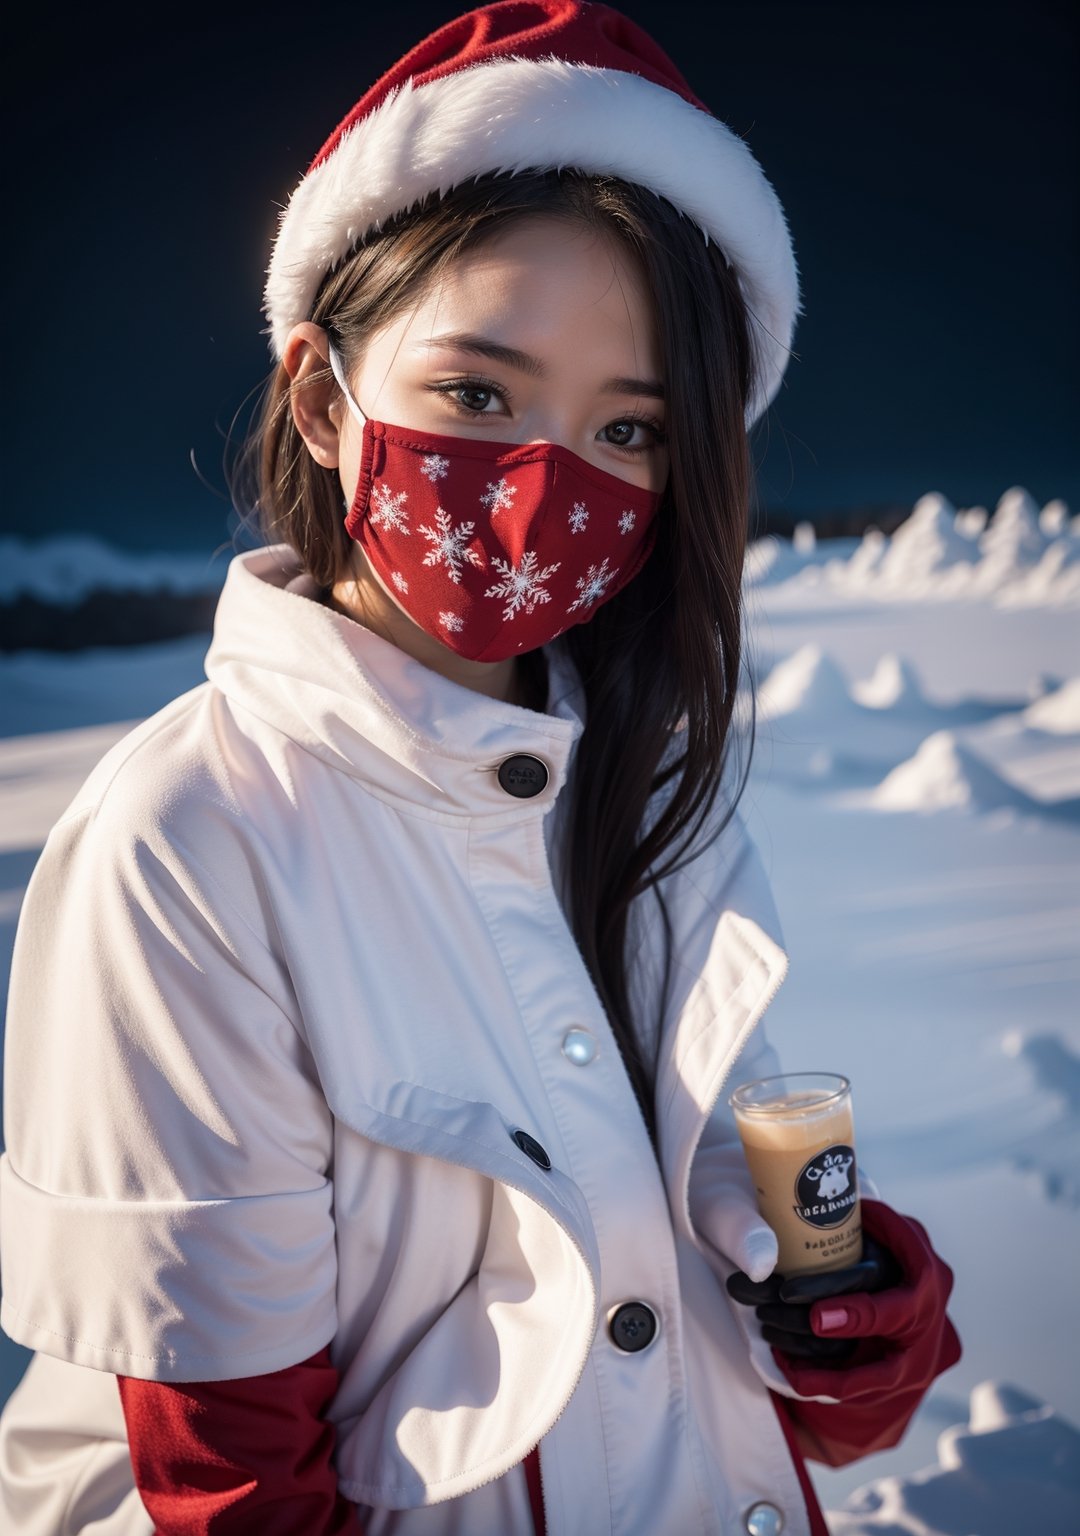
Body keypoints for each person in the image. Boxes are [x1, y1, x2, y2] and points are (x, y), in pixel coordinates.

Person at [0, 3, 960, 1532]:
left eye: (628, 427)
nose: (540, 490)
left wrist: (849, 1338)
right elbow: (223, 1482)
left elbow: (719, 1273)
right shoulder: (188, 846)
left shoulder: (650, 796)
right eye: (476, 396)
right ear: (325, 403)